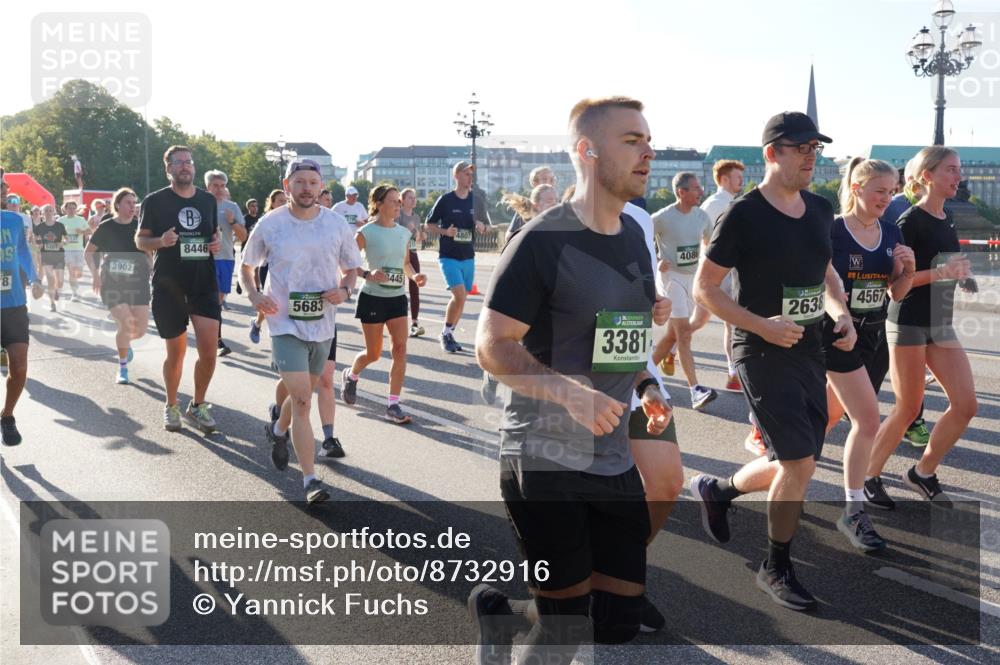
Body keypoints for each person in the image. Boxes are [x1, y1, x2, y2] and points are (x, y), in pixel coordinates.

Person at [470, 96, 672, 664]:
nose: (648, 152)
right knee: (565, 630)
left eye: (648, 140)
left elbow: (618, 335)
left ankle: (503, 615)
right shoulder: (541, 240)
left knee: (615, 622)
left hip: (611, 455)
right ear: (587, 151)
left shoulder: (633, 234)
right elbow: (491, 344)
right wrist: (563, 390)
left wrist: (647, 387)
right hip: (544, 457)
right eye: (632, 140)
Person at [690, 112, 854, 611]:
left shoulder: (821, 208)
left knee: (795, 458)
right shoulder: (743, 214)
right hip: (760, 350)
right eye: (800, 147)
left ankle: (718, 491)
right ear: (772, 153)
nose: (811, 155)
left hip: (808, 348)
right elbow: (706, 288)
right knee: (799, 461)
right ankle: (775, 566)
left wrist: (840, 312)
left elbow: (824, 268)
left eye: (815, 148)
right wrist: (761, 325)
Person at [241, 158, 361, 504]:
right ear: (287, 185)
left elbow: (352, 268)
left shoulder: (337, 224)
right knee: (304, 400)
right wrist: (253, 294)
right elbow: (247, 266)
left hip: (322, 323)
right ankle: (310, 481)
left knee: (303, 393)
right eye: (300, 182)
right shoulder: (271, 223)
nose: (307, 188)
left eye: (313, 182)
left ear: (321, 187)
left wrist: (346, 290)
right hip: (283, 320)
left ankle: (278, 430)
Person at [866, 146, 977, 508]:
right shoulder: (909, 221)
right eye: (951, 170)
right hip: (910, 321)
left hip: (940, 322)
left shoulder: (946, 217)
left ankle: (922, 472)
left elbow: (942, 261)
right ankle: (868, 476)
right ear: (927, 176)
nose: (957, 177)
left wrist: (961, 276)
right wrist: (944, 272)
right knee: (908, 408)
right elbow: (896, 285)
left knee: (966, 405)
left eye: (958, 170)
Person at [822, 158, 914, 551]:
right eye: (880, 190)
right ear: (857, 188)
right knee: (868, 419)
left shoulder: (891, 231)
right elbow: (821, 284)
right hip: (839, 336)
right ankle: (854, 510)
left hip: (874, 337)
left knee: (826, 418)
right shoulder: (833, 231)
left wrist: (905, 271)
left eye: (892, 191)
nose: (887, 198)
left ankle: (740, 484)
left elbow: (895, 294)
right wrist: (839, 314)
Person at [136, 145, 223, 433]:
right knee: (177, 353)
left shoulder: (208, 200)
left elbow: (214, 235)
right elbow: (141, 241)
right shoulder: (155, 201)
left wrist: (215, 243)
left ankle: (198, 405)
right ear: (169, 168)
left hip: (203, 283)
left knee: (209, 352)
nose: (185, 166)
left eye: (189, 162)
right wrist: (161, 240)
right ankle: (171, 404)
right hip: (169, 285)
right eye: (179, 162)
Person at [342, 185, 426, 424]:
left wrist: (415, 276)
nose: (398, 205)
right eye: (393, 201)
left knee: (400, 350)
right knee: (374, 353)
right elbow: (346, 262)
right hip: (372, 298)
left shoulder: (403, 233)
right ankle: (352, 374)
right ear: (378, 204)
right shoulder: (365, 232)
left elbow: (406, 264)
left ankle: (393, 404)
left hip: (397, 298)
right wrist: (367, 273)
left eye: (399, 201)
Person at [481, 183, 560, 404]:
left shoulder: (561, 228)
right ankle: (494, 373)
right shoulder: (524, 231)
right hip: (523, 293)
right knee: (516, 344)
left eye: (556, 200)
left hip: (547, 294)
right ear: (535, 205)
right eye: (549, 201)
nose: (555, 205)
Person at [650, 172, 718, 411]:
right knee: (684, 334)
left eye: (700, 188)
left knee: (672, 335)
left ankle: (641, 375)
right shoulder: (662, 217)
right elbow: (640, 239)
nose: (701, 192)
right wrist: (657, 259)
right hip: (671, 279)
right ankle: (695, 390)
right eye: (696, 188)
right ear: (681, 192)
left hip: (692, 279)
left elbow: (711, 247)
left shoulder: (702, 217)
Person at [878, 157, 933, 448]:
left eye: (891, 189)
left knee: (911, 374)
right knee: (869, 367)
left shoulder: (939, 211)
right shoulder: (901, 209)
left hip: (910, 299)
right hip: (885, 299)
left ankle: (913, 421)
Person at [85, 187, 152, 384]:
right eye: (128, 203)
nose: (132, 206)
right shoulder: (106, 226)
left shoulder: (140, 227)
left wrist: (152, 269)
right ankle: (122, 368)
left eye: (134, 203)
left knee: (139, 330)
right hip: (112, 282)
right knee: (126, 323)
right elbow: (89, 253)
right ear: (117, 205)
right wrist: (95, 275)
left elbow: (148, 254)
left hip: (138, 282)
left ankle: (126, 344)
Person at [425, 161, 491, 353]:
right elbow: (429, 225)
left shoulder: (476, 200)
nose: (470, 178)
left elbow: (488, 227)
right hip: (448, 255)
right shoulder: (445, 200)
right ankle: (445, 333)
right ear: (456, 176)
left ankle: (450, 332)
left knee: (462, 299)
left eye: (472, 175)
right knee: (459, 294)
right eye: (466, 174)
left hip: (468, 256)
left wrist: (482, 227)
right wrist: (446, 231)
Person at [693, 159, 746, 393]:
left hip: (727, 272)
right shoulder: (716, 205)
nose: (742, 181)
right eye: (738, 177)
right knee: (731, 323)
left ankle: (673, 345)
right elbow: (704, 239)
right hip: (720, 274)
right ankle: (733, 372)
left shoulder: (730, 202)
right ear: (724, 179)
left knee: (701, 321)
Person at [1, 181, 45, 445]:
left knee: (18, 366)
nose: (3, 193)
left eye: (3, 189)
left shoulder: (14, 221)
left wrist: (35, 278)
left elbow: (21, 252)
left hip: (14, 304)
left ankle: (7, 416)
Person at [204, 170, 247, 355]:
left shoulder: (232, 207)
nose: (220, 189)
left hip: (226, 258)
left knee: (218, 301)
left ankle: (211, 336)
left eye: (222, 185)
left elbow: (243, 235)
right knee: (211, 302)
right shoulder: (199, 204)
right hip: (204, 259)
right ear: (208, 186)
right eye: (215, 185)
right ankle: (217, 341)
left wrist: (232, 222)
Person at [248, 189, 286, 344]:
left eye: (286, 200)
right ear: (272, 203)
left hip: (286, 267)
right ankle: (258, 324)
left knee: (283, 302)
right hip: (267, 267)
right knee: (271, 301)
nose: (284, 203)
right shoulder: (265, 221)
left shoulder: (294, 219)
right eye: (280, 201)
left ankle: (286, 333)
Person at [397, 188, 426, 337]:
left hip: (413, 253)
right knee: (398, 288)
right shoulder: (398, 214)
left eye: (414, 198)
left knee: (415, 287)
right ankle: (397, 320)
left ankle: (414, 322)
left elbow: (417, 237)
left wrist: (421, 235)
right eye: (410, 198)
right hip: (399, 254)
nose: (413, 200)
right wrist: (405, 229)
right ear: (401, 200)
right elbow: (393, 232)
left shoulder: (416, 217)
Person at [506, 166, 557, 240]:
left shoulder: (559, 208)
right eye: (545, 179)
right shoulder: (526, 208)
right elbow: (509, 237)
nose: (549, 183)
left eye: (552, 180)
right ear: (534, 183)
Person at [34, 203, 67, 312]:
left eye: (50, 210)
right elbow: (36, 239)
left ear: (54, 212)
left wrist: (63, 243)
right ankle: (52, 303)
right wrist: (39, 244)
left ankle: (57, 290)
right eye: (46, 211)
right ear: (42, 214)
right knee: (50, 279)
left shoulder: (60, 226)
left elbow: (66, 239)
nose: (48, 212)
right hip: (46, 255)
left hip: (59, 255)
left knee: (60, 281)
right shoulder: (39, 227)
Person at [59, 201, 90, 301]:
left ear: (76, 209)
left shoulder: (80, 220)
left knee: (78, 272)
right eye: (69, 208)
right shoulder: (61, 220)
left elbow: (90, 231)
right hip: (67, 249)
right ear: (65, 209)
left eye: (73, 208)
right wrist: (62, 239)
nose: (71, 210)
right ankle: (74, 293)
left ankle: (75, 284)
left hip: (79, 249)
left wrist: (82, 231)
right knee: (72, 271)